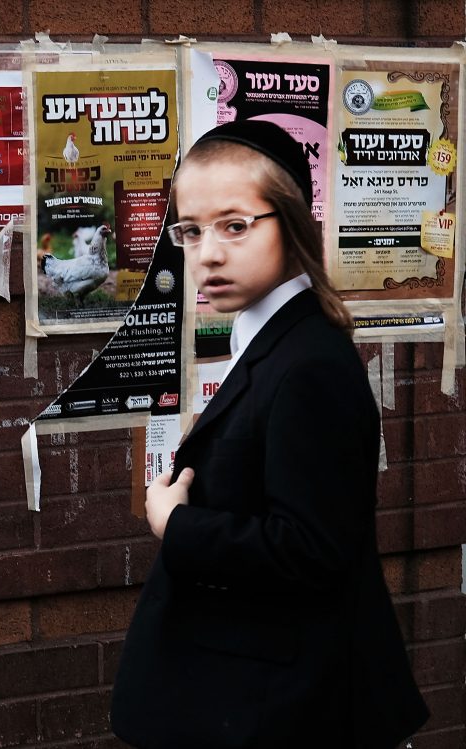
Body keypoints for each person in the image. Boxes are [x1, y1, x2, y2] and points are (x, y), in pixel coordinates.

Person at [110, 120, 429, 749]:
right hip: (257, 691)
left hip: (288, 706)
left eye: (235, 226)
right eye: (191, 230)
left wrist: (176, 524)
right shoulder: (264, 341)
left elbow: (311, 548)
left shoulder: (308, 364)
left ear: (291, 223)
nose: (207, 253)